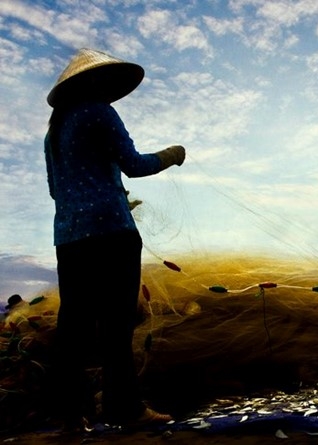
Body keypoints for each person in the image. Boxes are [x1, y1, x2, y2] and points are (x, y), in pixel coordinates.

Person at [44, 48, 185, 428]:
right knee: (116, 324)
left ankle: (67, 414)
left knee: (73, 325)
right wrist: (172, 154)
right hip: (110, 232)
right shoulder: (98, 112)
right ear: (94, 82)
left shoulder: (53, 133)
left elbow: (57, 190)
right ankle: (125, 408)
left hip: (69, 237)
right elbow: (135, 165)